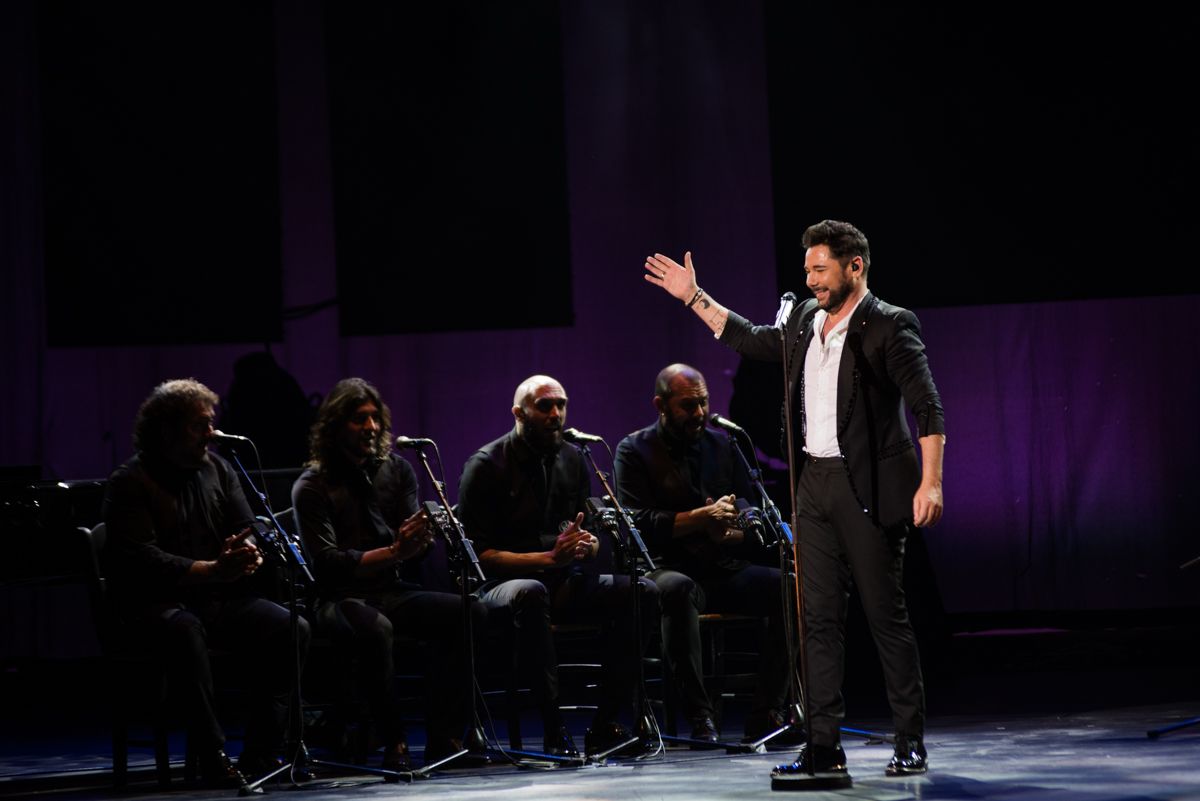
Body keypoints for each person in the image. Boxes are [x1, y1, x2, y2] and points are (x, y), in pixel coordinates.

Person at [644, 220, 945, 777]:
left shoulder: (889, 325)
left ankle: (910, 739)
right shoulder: (806, 319)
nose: (810, 281)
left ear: (855, 266)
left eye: (820, 268)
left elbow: (927, 407)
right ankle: (824, 746)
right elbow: (754, 339)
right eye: (806, 269)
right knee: (817, 621)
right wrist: (694, 298)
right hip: (815, 488)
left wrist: (931, 482)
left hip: (870, 489)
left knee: (885, 617)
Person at [102, 378, 310, 788]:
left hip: (216, 600)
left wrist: (246, 550)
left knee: (292, 627)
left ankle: (262, 752)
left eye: (211, 423)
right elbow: (144, 560)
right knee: (185, 631)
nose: (211, 433)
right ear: (167, 429)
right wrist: (213, 569)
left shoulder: (219, 468)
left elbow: (246, 525)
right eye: (200, 425)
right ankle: (213, 754)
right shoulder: (130, 482)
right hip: (153, 606)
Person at [456, 375, 660, 757]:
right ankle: (554, 728)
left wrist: (589, 544)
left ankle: (606, 725)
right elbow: (479, 556)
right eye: (545, 406)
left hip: (562, 578)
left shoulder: (573, 457)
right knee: (531, 592)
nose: (556, 414)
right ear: (519, 413)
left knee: (642, 590)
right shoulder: (485, 465)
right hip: (504, 584)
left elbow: (586, 529)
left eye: (561, 405)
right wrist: (548, 558)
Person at [291, 378, 486, 771]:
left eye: (376, 418)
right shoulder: (312, 485)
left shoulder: (397, 470)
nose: (371, 428)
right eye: (359, 419)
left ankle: (443, 735)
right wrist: (396, 550)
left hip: (390, 589)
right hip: (337, 598)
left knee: (469, 610)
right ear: (335, 426)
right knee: (375, 628)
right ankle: (393, 738)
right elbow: (327, 563)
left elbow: (413, 546)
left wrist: (420, 540)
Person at [614, 363, 802, 747]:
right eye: (687, 406)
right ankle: (701, 717)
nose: (699, 413)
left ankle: (767, 712)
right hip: (666, 568)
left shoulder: (724, 443)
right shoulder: (633, 450)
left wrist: (732, 529)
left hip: (721, 566)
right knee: (678, 589)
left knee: (793, 590)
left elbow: (749, 507)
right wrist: (700, 519)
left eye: (703, 403)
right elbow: (638, 523)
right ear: (660, 405)